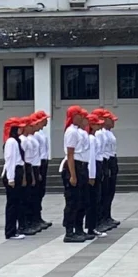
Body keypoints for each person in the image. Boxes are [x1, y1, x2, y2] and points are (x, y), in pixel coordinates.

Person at [60, 103, 95, 242]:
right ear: (74, 116)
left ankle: (79, 229)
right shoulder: (71, 132)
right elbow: (70, 154)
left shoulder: (80, 131)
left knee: (83, 200)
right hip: (74, 166)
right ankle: (69, 232)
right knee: (72, 201)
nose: (82, 118)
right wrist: (73, 175)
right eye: (80, 115)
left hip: (82, 166)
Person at [93, 108, 120, 229]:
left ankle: (106, 216)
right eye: (110, 119)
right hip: (104, 161)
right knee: (103, 192)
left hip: (110, 159)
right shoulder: (99, 133)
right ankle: (101, 218)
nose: (113, 122)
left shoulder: (108, 132)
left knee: (109, 191)